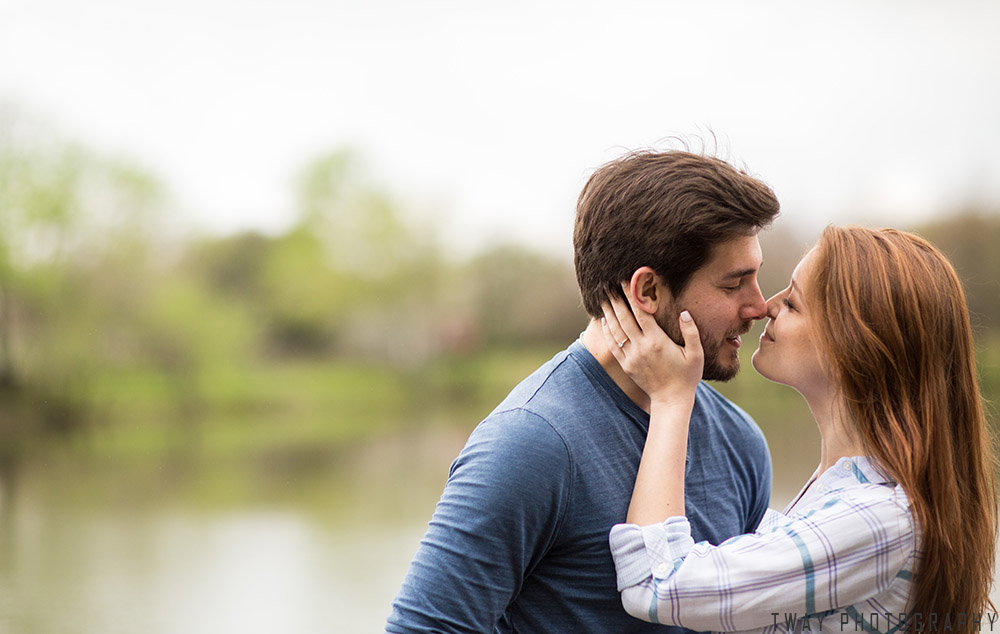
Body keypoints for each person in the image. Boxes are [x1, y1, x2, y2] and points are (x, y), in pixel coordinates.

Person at [385, 149, 781, 633]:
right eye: (734, 284)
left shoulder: (740, 440)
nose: (758, 306)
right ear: (648, 291)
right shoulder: (530, 444)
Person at [604, 225, 998, 633]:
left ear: (852, 343)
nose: (765, 307)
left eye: (792, 303)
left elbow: (657, 585)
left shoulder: (880, 519)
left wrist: (670, 399)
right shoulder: (844, 487)